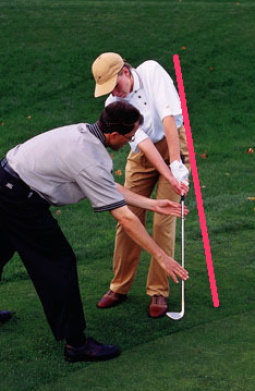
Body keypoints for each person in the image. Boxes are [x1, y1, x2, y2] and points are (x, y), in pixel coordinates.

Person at [0, 101, 189, 363]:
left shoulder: (85, 133)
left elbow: (104, 184)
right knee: (58, 262)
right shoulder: (88, 157)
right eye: (130, 136)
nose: (131, 142)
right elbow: (123, 216)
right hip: (20, 198)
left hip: (6, 181)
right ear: (114, 135)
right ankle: (76, 345)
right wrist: (160, 256)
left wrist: (153, 203)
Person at [92, 52, 190, 317]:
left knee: (163, 219)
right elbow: (143, 142)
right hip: (142, 154)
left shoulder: (151, 71)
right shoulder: (115, 103)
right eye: (109, 90)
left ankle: (158, 290)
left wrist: (176, 166)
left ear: (125, 71)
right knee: (127, 216)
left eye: (115, 84)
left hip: (173, 144)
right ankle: (119, 286)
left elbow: (169, 119)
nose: (114, 93)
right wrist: (166, 173)